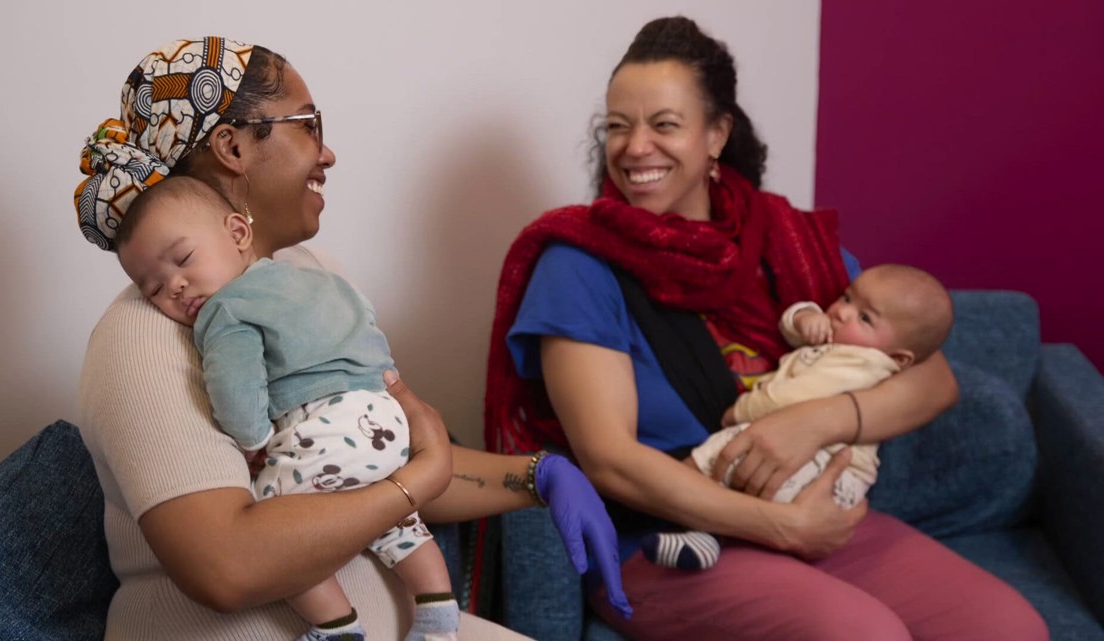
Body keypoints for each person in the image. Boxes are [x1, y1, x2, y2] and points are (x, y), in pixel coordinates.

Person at [484, 16, 1048, 641]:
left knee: (1007, 626)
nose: (635, 146)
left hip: (817, 511)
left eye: (664, 123)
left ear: (717, 134)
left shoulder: (782, 240)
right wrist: (779, 527)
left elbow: (931, 379)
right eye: (619, 126)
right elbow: (610, 461)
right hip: (667, 539)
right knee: (860, 633)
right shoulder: (579, 265)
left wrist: (813, 422)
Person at [73, 37, 630, 641]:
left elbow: (375, 457)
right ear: (232, 146)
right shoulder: (143, 338)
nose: (328, 151)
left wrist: (538, 476)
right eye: (309, 124)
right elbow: (225, 568)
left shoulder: (314, 274)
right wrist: (409, 486)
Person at [114, 176, 459, 641]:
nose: (175, 286)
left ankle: (337, 627)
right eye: (153, 288)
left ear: (238, 234)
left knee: (280, 529)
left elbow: (236, 390)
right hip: (385, 420)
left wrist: (253, 441)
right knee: (396, 521)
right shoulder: (322, 279)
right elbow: (371, 333)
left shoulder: (226, 310)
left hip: (325, 427)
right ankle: (438, 613)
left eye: (184, 260)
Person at [644, 263, 954, 570]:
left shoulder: (861, 363)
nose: (841, 312)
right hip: (813, 464)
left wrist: (739, 412)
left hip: (826, 473)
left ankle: (690, 524)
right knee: (736, 470)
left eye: (865, 317)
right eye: (847, 298)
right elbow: (791, 331)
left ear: (898, 358)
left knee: (721, 452)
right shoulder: (842, 343)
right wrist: (805, 317)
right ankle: (705, 536)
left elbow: (791, 400)